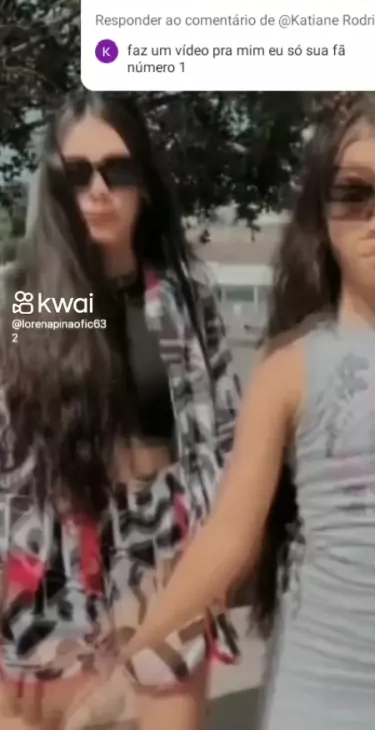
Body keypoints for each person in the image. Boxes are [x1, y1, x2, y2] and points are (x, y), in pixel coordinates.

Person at [76, 66, 375, 730]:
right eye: (354, 193)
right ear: (322, 212)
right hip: (315, 701)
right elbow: (230, 538)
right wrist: (125, 667)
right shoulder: (287, 368)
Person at [0, 91, 241, 730]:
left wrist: (218, 557)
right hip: (50, 553)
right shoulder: (30, 300)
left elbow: (225, 434)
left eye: (118, 170)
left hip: (164, 549)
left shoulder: (185, 299)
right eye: (77, 174)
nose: (99, 191)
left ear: (146, 183)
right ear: (54, 185)